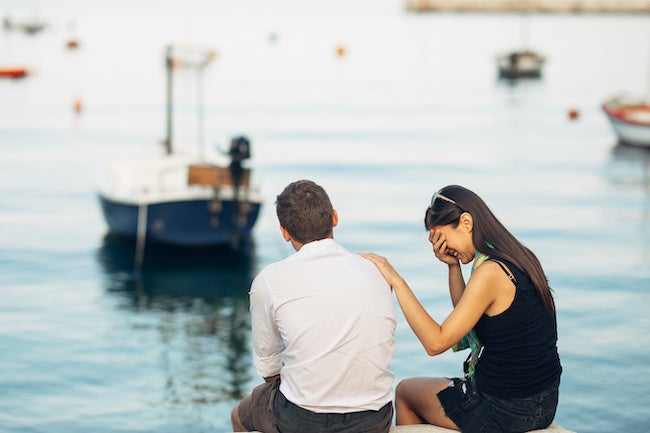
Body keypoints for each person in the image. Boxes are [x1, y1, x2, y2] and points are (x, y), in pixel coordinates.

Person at [362, 185, 561, 433]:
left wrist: (397, 282)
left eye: (443, 237)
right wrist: (452, 266)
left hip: (505, 410)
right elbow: (469, 318)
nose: (443, 246)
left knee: (405, 392)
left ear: (466, 222)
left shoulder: (489, 272)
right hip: (543, 402)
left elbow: (436, 343)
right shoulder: (517, 257)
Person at [231, 179, 396, 433]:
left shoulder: (270, 280)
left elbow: (269, 370)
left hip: (303, 419)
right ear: (335, 218)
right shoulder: (375, 270)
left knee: (240, 415)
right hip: (374, 418)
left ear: (284, 232)